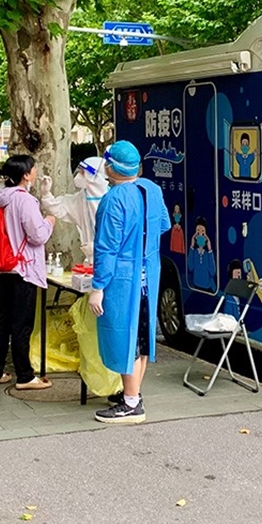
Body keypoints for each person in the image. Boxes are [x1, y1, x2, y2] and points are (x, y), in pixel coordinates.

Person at [90, 141, 170, 424]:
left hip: (123, 280)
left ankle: (131, 403)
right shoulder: (152, 189)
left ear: (110, 167)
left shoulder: (112, 200)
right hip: (150, 273)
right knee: (143, 337)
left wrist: (97, 288)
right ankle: (132, 392)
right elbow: (164, 225)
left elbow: (106, 248)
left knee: (126, 338)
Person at [0, 155, 56, 390]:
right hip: (22, 268)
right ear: (26, 174)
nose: (36, 172)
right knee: (22, 324)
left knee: (1, 321)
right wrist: (49, 221)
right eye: (33, 169)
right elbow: (38, 235)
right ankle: (25, 376)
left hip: (3, 265)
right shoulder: (25, 201)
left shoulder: (2, 199)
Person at [39, 156, 108, 262]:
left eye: (83, 172)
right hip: (90, 259)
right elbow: (60, 207)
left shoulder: (111, 198)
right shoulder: (82, 197)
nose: (79, 175)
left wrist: (97, 246)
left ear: (93, 176)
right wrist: (46, 195)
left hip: (110, 258)